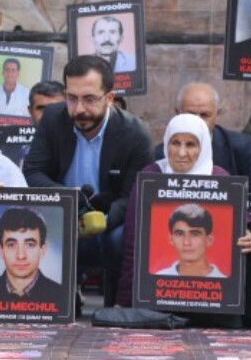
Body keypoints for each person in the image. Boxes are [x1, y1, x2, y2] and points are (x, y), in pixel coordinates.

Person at [24, 56, 154, 307]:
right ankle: (56, 302)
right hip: (62, 214)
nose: (79, 109)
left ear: (110, 98)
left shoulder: (136, 133)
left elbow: (133, 196)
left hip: (111, 222)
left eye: (90, 99)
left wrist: (102, 221)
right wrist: (67, 199)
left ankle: (117, 305)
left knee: (121, 238)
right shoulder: (52, 118)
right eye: (72, 98)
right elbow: (33, 172)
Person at [116, 114, 251, 306]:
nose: (181, 153)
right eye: (175, 143)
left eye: (190, 145)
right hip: (158, 295)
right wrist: (124, 300)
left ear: (203, 147)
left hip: (213, 300)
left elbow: (241, 217)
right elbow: (133, 238)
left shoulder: (219, 177)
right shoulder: (151, 176)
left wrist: (247, 231)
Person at [155, 83, 251, 193]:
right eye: (191, 114)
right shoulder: (160, 154)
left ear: (217, 114)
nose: (198, 121)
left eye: (204, 115)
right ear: (177, 113)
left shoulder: (239, 147)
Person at [0, 207, 63, 301]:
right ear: (0, 249)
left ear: (43, 250)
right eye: (11, 245)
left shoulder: (61, 295)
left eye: (30, 245)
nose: (21, 256)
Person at [157, 204, 227, 277]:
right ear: (171, 239)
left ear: (209, 240)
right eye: (180, 234)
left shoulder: (224, 281)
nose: (186, 242)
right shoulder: (159, 277)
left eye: (195, 234)